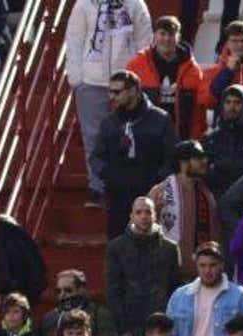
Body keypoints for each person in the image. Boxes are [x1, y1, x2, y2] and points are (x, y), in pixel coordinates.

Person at [64, 0, 153, 205]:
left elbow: (145, 42)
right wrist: (76, 78)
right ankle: (98, 187)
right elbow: (75, 40)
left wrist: (139, 78)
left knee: (127, 135)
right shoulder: (84, 5)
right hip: (91, 81)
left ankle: (125, 187)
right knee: (94, 137)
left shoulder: (135, 5)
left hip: (127, 82)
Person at [91, 70, 177, 237]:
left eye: (117, 92)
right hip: (118, 196)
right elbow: (96, 157)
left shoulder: (160, 120)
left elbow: (172, 157)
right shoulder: (109, 123)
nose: (112, 97)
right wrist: (109, 175)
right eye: (110, 92)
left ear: (134, 91)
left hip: (150, 194)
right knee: (118, 242)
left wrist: (157, 181)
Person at [105, 197, 182, 336]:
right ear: (132, 216)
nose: (143, 216)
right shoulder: (116, 248)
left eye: (148, 212)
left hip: (162, 324)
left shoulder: (170, 249)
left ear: (155, 215)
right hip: (130, 326)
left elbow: (175, 290)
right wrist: (123, 328)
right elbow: (113, 290)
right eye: (138, 212)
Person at [126, 16, 204, 140]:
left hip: (179, 136)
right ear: (154, 35)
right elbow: (126, 103)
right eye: (162, 33)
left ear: (178, 37)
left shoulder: (193, 70)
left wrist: (195, 138)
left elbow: (198, 112)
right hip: (144, 137)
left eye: (172, 34)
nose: (167, 39)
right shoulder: (137, 65)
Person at [147, 140, 217, 274]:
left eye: (204, 157)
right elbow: (144, 229)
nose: (204, 161)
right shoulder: (160, 192)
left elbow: (215, 233)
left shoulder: (207, 194)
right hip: (167, 271)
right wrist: (155, 210)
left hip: (201, 273)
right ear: (183, 162)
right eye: (198, 158)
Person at [202, 85, 243, 199]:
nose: (232, 107)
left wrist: (221, 167)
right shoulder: (213, 137)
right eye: (228, 102)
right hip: (217, 195)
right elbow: (204, 169)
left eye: (237, 103)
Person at [41, 268, 120, 336]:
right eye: (58, 291)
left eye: (68, 290)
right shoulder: (50, 318)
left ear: (81, 290)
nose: (62, 295)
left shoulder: (99, 314)